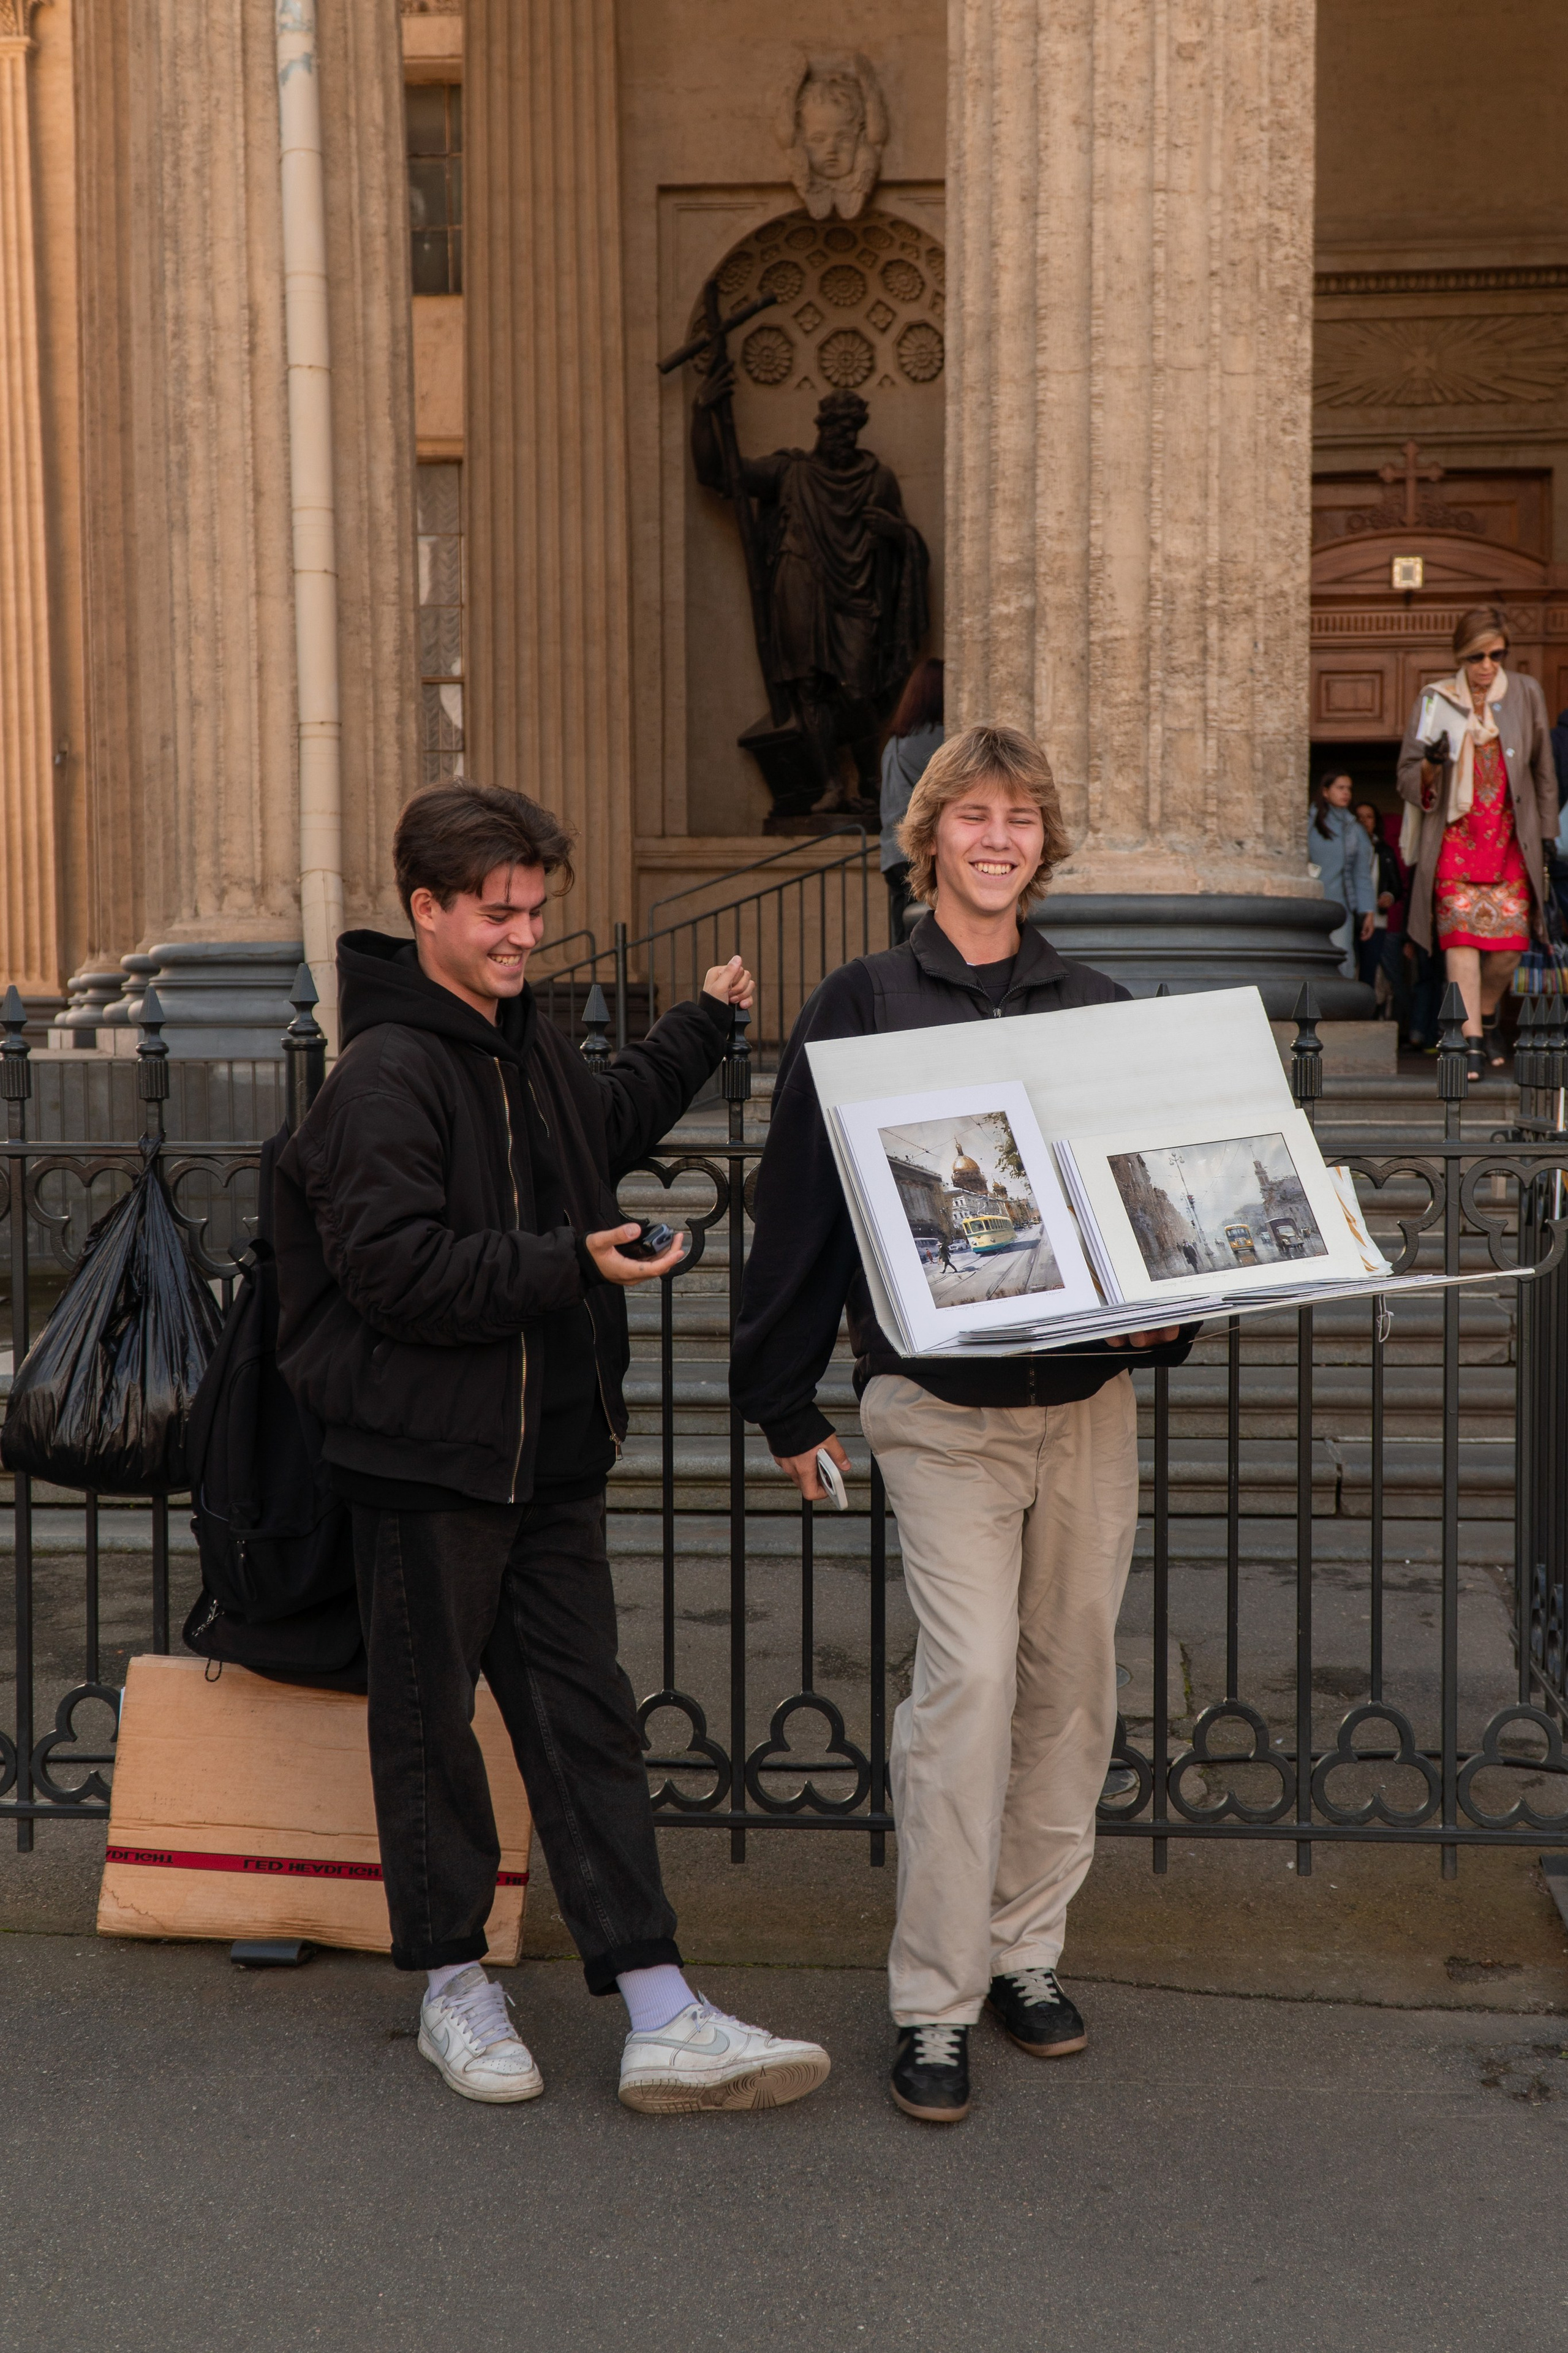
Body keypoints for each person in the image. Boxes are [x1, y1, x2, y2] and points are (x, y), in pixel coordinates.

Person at [274, 782, 830, 2115]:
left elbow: (606, 1119)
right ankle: (452, 1983)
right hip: (424, 1460)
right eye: (499, 912)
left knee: (588, 1729)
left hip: (550, 1455)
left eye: (534, 908)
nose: (526, 933)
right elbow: (395, 1274)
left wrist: (702, 1024)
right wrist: (566, 1263)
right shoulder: (384, 1076)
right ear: (427, 909)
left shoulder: (519, 1047)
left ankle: (660, 2006)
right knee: (431, 1737)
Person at [730, 723, 1193, 2126]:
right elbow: (798, 1205)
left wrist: (1166, 1321)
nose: (995, 839)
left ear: (1042, 844)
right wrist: (779, 1394)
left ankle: (1021, 1950)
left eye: (1019, 818)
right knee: (971, 1681)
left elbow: (1144, 1206)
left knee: (1070, 1688)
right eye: (972, 815)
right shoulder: (862, 1002)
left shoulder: (1092, 1003)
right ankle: (933, 2001)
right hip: (936, 1408)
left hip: (1085, 1407)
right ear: (927, 835)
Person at [1396, 605, 1559, 1079]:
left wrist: (1548, 835)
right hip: (1455, 840)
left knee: (1509, 948)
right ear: (1460, 655)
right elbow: (1407, 777)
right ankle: (1469, 1041)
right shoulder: (1435, 700)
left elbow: (1544, 771)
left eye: (1496, 655)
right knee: (1461, 943)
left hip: (1511, 842)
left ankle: (1486, 1015)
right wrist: (1431, 764)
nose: (1487, 665)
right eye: (1476, 656)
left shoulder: (1526, 692)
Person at [880, 657, 944, 944]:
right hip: (920, 853)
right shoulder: (938, 740)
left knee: (901, 942)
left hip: (892, 855)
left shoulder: (894, 743)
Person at [1305, 771, 1376, 980]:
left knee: (1342, 960)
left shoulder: (1354, 828)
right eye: (1340, 788)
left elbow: (1361, 873)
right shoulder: (1309, 821)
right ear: (1325, 792)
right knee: (1309, 962)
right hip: (1310, 904)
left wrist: (1368, 910)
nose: (1346, 793)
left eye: (1349, 789)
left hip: (1341, 908)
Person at [1352, 799, 1406, 1013]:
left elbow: (1396, 886)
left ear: (1376, 822)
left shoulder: (1384, 851)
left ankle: (1365, 1015)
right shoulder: (1346, 848)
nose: (1364, 822)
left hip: (1377, 920)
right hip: (1349, 917)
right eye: (1359, 817)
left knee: (1370, 969)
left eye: (1369, 817)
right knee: (1348, 967)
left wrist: (1388, 896)